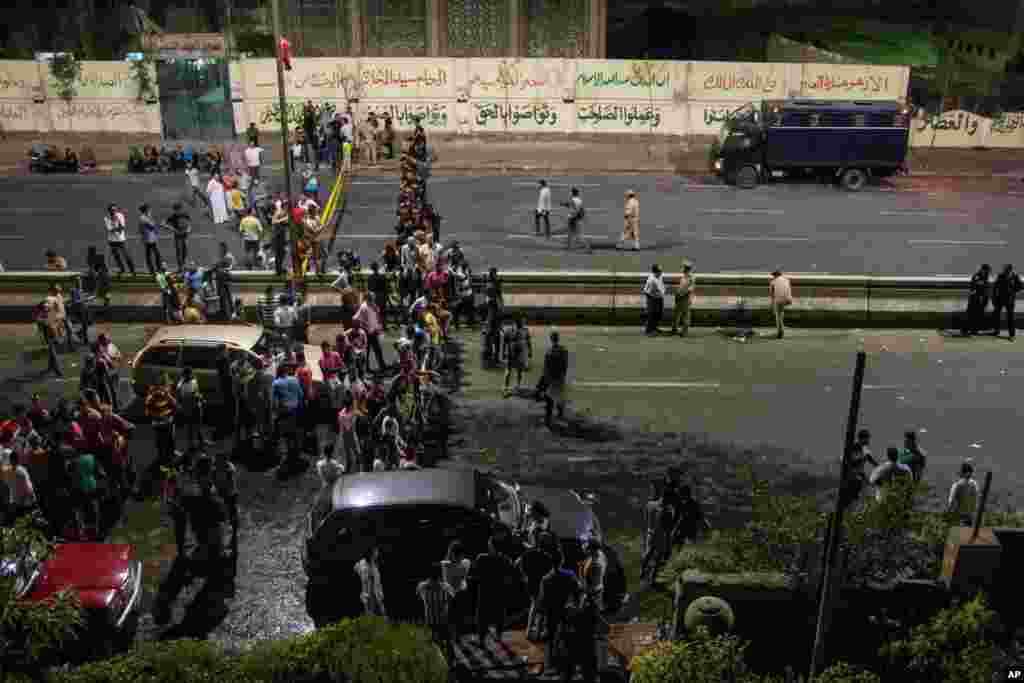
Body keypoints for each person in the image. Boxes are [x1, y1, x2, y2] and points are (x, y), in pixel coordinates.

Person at [538, 546, 583, 679]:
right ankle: (570, 665)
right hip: (567, 612)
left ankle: (552, 666)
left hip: (552, 612)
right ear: (562, 560)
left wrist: (541, 620)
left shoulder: (546, 579)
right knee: (569, 639)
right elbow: (578, 593)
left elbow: (542, 602)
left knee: (551, 640)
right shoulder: (570, 575)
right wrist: (576, 606)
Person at [467, 536, 519, 643]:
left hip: (485, 591)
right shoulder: (505, 560)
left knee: (482, 616)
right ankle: (498, 636)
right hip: (500, 592)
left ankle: (481, 640)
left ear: (491, 546)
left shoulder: (482, 558)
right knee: (499, 614)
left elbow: (475, 574)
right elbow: (511, 576)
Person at [517, 534, 556, 643]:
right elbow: (551, 573)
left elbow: (518, 563)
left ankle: (530, 631)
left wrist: (524, 575)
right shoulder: (547, 557)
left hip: (530, 584)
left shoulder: (529, 553)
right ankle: (535, 632)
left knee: (534, 606)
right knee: (539, 610)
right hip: (541, 585)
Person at [417, 562, 455, 662]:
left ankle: (437, 658)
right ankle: (450, 658)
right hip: (443, 619)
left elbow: (419, 597)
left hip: (430, 619)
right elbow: (452, 600)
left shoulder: (422, 586)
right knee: (447, 640)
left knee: (434, 641)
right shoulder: (446, 588)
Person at [640, 481, 674, 586]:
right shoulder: (667, 509)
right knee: (658, 557)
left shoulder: (650, 505)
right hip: (660, 534)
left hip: (651, 532)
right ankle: (653, 577)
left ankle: (643, 572)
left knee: (649, 553)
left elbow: (646, 519)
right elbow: (668, 527)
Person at [538, 331, 569, 429]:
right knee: (560, 398)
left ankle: (548, 419)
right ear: (558, 338)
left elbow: (546, 367)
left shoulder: (549, 351)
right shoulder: (563, 350)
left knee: (549, 398)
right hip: (560, 377)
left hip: (551, 378)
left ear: (551, 339)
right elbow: (565, 364)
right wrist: (563, 375)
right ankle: (560, 417)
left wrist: (543, 379)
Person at [354, 293, 386, 373]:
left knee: (377, 350)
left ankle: (382, 366)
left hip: (373, 331)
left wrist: (378, 327)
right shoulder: (364, 307)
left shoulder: (373, 305)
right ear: (368, 299)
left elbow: (377, 317)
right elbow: (356, 318)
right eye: (372, 298)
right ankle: (367, 368)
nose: (373, 300)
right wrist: (365, 328)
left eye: (373, 298)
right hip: (367, 333)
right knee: (367, 351)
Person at [176, 367, 205, 450]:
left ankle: (200, 441)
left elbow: (196, 392)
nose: (191, 376)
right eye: (188, 374)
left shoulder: (194, 381)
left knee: (198, 424)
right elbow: (181, 397)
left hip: (196, 406)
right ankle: (191, 444)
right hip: (189, 407)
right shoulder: (181, 385)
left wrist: (200, 398)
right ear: (185, 375)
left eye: (191, 374)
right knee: (190, 426)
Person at [503, 316, 533, 394]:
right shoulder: (509, 330)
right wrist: (503, 352)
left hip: (520, 354)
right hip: (511, 353)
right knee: (508, 371)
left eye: (522, 322)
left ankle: (517, 386)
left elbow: (528, 341)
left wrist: (530, 351)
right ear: (516, 322)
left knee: (519, 371)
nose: (522, 323)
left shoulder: (525, 330)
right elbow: (505, 342)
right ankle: (505, 387)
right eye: (521, 322)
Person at [992, 263, 1022, 339]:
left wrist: (1013, 290)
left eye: (1007, 270)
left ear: (1010, 270)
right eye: (1005, 269)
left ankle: (1012, 335)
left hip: (1010, 300)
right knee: (996, 315)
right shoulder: (1000, 276)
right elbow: (995, 287)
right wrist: (994, 298)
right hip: (1000, 299)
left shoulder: (1015, 276)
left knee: (1010, 317)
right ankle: (996, 331)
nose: (1005, 271)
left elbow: (1020, 286)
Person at [354, 545, 386, 616]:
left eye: (377, 552)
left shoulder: (374, 564)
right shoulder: (364, 563)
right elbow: (357, 569)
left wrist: (379, 592)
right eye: (376, 552)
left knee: (380, 612)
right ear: (372, 553)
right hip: (368, 592)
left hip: (376, 592)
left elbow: (377, 580)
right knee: (370, 612)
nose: (377, 553)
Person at [104, 204, 135, 276]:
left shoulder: (120, 215)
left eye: (115, 210)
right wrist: (115, 224)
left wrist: (117, 220)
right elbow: (110, 229)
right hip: (112, 241)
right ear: (109, 211)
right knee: (117, 257)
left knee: (127, 255)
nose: (114, 211)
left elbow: (122, 227)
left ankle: (132, 271)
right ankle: (122, 270)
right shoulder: (106, 218)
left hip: (121, 240)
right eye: (112, 210)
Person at [962, 263, 991, 336]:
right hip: (975, 299)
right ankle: (965, 329)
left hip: (981, 299)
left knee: (978, 315)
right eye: (986, 270)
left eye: (987, 271)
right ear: (982, 270)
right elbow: (973, 287)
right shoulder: (977, 276)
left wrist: (985, 299)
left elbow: (986, 289)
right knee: (970, 314)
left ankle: (974, 330)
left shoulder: (986, 277)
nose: (987, 272)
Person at [948, 460, 980, 526]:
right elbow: (977, 500)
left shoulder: (957, 484)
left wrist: (949, 512)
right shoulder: (974, 484)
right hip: (971, 517)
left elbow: (951, 501)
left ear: (962, 472)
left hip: (959, 516)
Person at [164, 202, 192, 271]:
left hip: (185, 235)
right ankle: (180, 267)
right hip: (178, 236)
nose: (177, 212)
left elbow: (189, 223)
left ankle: (184, 265)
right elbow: (163, 223)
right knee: (179, 251)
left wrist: (189, 229)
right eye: (176, 210)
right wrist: (172, 229)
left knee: (185, 250)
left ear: (181, 209)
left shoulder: (185, 214)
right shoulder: (172, 217)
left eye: (178, 210)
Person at [138, 204, 163, 275]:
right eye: (149, 209)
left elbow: (152, 226)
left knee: (152, 254)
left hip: (151, 238)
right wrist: (158, 225)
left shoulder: (146, 217)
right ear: (146, 210)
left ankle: (155, 269)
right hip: (148, 239)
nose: (150, 210)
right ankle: (154, 270)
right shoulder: (143, 218)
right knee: (155, 254)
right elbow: (151, 225)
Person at [672, 260, 695, 337]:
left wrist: (681, 294)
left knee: (685, 316)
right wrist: (677, 294)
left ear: (686, 268)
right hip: (680, 297)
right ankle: (674, 329)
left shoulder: (691, 277)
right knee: (676, 314)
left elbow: (690, 289)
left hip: (685, 298)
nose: (682, 269)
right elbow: (681, 287)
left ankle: (684, 331)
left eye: (684, 267)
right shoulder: (684, 276)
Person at [769, 269, 794, 340]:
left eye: (773, 275)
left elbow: (771, 294)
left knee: (778, 316)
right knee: (781, 313)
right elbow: (788, 290)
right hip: (788, 299)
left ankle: (780, 333)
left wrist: (772, 304)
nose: (773, 277)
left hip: (779, 300)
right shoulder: (786, 280)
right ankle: (781, 328)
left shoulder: (773, 282)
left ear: (775, 275)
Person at [642, 264, 666, 335]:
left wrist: (662, 292)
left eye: (661, 271)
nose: (661, 272)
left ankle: (654, 327)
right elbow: (650, 291)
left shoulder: (659, 276)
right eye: (659, 271)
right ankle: (649, 330)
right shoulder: (652, 280)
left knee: (659, 313)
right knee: (652, 313)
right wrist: (661, 293)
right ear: (655, 272)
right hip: (652, 296)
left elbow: (661, 285)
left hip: (658, 296)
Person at [564, 187, 588, 252]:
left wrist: (564, 204)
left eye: (571, 192)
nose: (570, 193)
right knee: (571, 234)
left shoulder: (572, 200)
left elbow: (573, 207)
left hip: (573, 219)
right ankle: (569, 247)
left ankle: (587, 248)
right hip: (576, 218)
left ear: (573, 193)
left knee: (575, 235)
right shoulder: (579, 200)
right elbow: (580, 209)